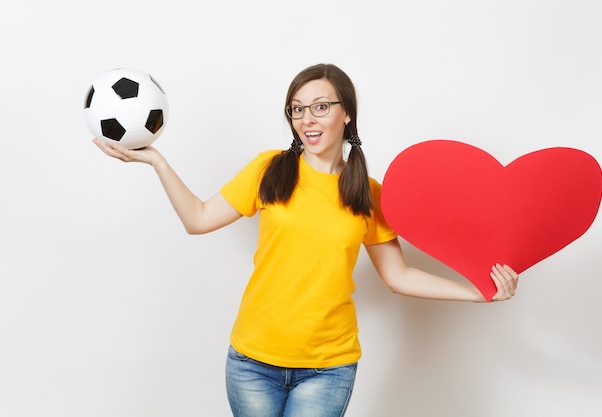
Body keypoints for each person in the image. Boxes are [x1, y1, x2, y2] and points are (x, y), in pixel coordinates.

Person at [93, 63, 519, 417]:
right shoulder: (270, 170)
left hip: (328, 368)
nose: (306, 120)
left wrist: (479, 293)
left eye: (319, 107)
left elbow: (398, 277)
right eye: (297, 110)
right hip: (252, 362)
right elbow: (199, 218)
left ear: (346, 113)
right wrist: (157, 163)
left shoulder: (368, 193)